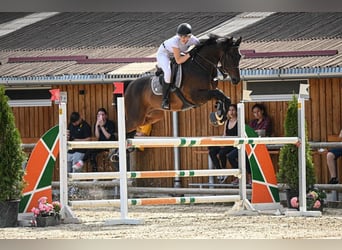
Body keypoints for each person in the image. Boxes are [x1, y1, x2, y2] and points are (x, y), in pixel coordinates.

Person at [156, 23, 200, 110]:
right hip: (164, 54)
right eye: (181, 36)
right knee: (168, 73)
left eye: (185, 36)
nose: (183, 39)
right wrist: (190, 54)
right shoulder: (174, 42)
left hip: (177, 54)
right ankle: (165, 99)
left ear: (190, 36)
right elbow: (179, 60)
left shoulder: (194, 40)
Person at [208, 104, 238, 183]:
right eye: (229, 110)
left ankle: (224, 170)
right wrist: (221, 142)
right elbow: (224, 134)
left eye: (233, 110)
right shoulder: (227, 121)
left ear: (236, 111)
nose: (231, 112)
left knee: (222, 153)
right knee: (211, 150)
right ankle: (219, 170)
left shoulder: (239, 121)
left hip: (234, 144)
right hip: (226, 143)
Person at [85, 108, 117, 172]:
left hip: (110, 144)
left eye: (102, 114)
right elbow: (97, 137)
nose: (101, 117)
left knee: (113, 157)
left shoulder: (110, 123)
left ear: (106, 116)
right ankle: (95, 173)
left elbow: (108, 136)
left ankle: (81, 161)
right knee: (91, 153)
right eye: (99, 115)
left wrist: (102, 127)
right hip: (101, 144)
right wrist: (97, 126)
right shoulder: (96, 124)